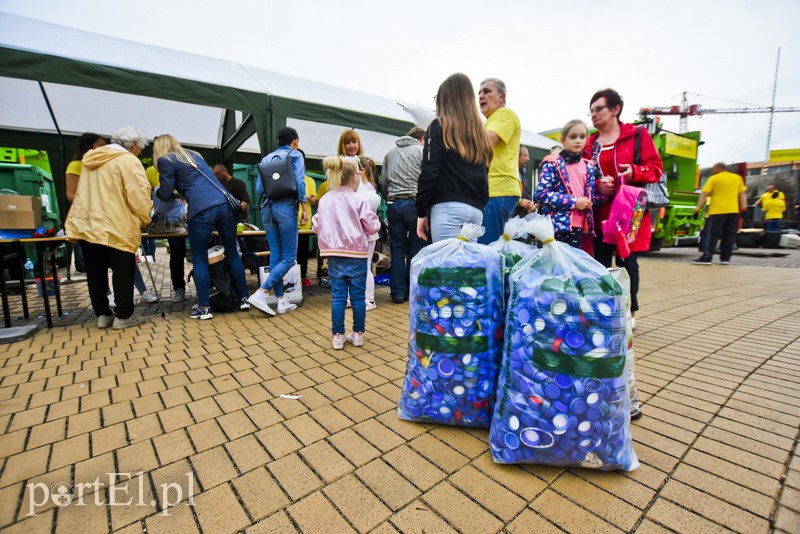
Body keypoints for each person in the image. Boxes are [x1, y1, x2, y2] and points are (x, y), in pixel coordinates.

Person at [583, 88, 662, 329]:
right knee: (600, 264)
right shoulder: (589, 143)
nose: (593, 114)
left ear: (615, 109)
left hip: (629, 214)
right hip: (599, 214)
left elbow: (656, 168)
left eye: (599, 109)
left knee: (629, 265)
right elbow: (582, 175)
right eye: (591, 111)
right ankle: (603, 311)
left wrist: (634, 172)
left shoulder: (637, 135)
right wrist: (598, 184)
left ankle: (630, 311)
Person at [153, 134, 250, 319]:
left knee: (199, 258)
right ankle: (244, 298)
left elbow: (165, 193)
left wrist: (157, 190)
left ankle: (204, 307)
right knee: (231, 253)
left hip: (200, 210)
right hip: (224, 205)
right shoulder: (194, 155)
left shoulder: (165, 160)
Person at [65, 126, 152, 330]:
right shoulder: (128, 160)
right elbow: (138, 193)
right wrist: (144, 217)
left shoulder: (89, 160)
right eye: (140, 147)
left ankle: (103, 315)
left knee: (95, 273)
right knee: (123, 270)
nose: (140, 151)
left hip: (87, 224)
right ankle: (123, 316)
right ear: (133, 144)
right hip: (116, 224)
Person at [313, 156, 381, 349]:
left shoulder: (325, 199)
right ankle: (358, 334)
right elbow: (372, 226)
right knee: (358, 297)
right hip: (357, 254)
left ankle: (337, 336)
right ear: (354, 177)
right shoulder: (359, 200)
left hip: (334, 254)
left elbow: (316, 225)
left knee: (338, 297)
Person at [416, 73, 491, 243]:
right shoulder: (480, 135)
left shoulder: (439, 126)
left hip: (447, 207)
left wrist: (421, 211)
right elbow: (485, 175)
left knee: (446, 259)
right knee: (468, 260)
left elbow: (429, 171)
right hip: (475, 210)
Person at [248, 127, 309, 316]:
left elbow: (259, 189)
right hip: (286, 208)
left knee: (276, 255)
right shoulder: (296, 155)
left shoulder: (267, 159)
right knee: (289, 258)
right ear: (295, 141)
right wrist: (304, 206)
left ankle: (281, 300)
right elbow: (299, 181)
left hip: (267, 209)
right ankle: (262, 292)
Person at [534, 119, 606, 250]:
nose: (578, 141)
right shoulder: (552, 163)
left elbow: (591, 199)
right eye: (573, 137)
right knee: (551, 262)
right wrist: (574, 202)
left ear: (587, 139)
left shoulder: (588, 166)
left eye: (582, 137)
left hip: (579, 228)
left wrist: (606, 192)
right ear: (563, 140)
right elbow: (540, 194)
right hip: (555, 226)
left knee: (571, 262)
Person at [477, 77, 532, 244]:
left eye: (487, 91)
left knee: (487, 248)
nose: (480, 96)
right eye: (479, 93)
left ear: (502, 97)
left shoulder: (504, 114)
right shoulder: (491, 121)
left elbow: (486, 142)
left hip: (497, 190)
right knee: (491, 247)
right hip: (496, 191)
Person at [382, 126, 426, 303]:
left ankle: (397, 292)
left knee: (397, 249)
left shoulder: (389, 154)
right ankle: (411, 290)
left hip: (393, 203)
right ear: (421, 138)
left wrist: (389, 197)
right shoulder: (421, 152)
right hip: (414, 203)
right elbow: (427, 178)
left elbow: (383, 182)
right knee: (416, 248)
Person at [146, 165, 188, 303]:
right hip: (167, 221)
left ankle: (204, 287)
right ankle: (178, 288)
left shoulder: (179, 168)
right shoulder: (151, 171)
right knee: (177, 253)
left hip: (184, 218)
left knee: (187, 253)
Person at [65, 132, 106, 273]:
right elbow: (70, 195)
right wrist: (91, 201)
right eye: (100, 145)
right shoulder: (76, 165)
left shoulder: (103, 166)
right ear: (89, 146)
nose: (104, 148)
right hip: (86, 219)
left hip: (102, 218)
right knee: (93, 262)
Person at [692, 162, 746, 265]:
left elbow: (704, 194)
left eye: (713, 169)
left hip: (717, 211)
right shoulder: (737, 178)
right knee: (729, 235)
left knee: (713, 235)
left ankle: (707, 257)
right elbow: (742, 194)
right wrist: (744, 208)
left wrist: (697, 209)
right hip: (733, 211)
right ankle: (725, 258)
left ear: (718, 168)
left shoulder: (714, 178)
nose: (712, 171)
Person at [357, 156, 380, 310]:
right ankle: (355, 297)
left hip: (368, 234)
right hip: (361, 234)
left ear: (362, 171)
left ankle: (370, 299)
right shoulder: (361, 188)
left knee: (365, 266)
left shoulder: (369, 188)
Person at [317, 129, 365, 199]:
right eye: (347, 143)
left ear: (359, 143)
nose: (351, 146)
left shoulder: (364, 164)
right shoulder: (338, 164)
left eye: (354, 142)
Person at [295, 150, 317, 288]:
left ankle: (303, 276)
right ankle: (291, 278)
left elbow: (314, 200)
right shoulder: (288, 178)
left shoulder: (309, 180)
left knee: (303, 251)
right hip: (290, 221)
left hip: (305, 222)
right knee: (291, 252)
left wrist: (306, 197)